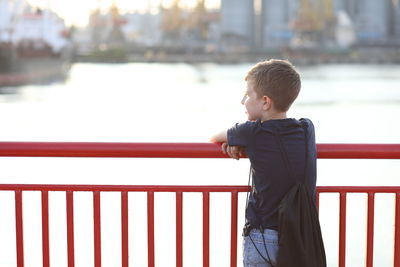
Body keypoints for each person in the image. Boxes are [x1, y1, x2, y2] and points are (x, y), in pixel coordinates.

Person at [211, 59, 317, 267]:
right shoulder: (307, 129)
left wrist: (236, 140)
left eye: (248, 95)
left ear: (265, 102)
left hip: (262, 236)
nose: (243, 101)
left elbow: (214, 136)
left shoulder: (251, 132)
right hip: (300, 236)